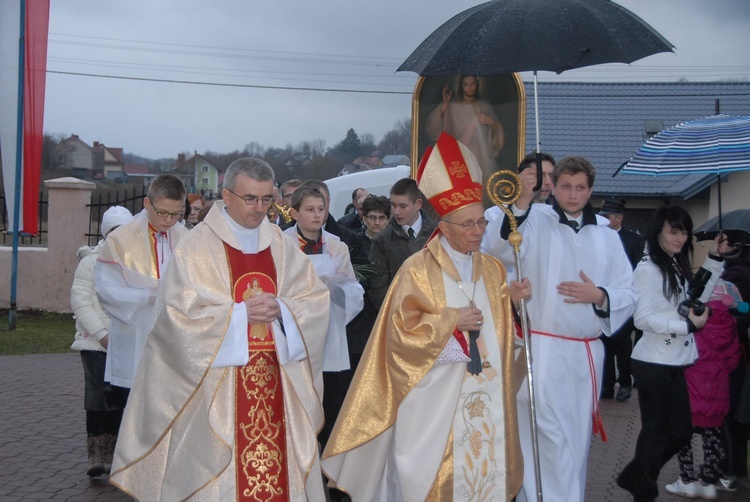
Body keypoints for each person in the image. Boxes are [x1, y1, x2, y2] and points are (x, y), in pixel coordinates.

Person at [109, 158, 330, 500]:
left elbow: (314, 299)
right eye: (250, 199)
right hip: (219, 390)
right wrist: (240, 316)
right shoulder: (197, 247)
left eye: (267, 200)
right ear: (227, 196)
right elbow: (175, 317)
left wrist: (284, 310)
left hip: (276, 382)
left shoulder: (281, 244)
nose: (260, 209)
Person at [322, 132, 527, 501]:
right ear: (444, 227)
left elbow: (503, 335)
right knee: (427, 479)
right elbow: (400, 334)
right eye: (467, 224)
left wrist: (513, 306)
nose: (478, 231)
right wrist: (451, 321)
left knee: (481, 474)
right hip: (432, 398)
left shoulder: (495, 270)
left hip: (482, 393)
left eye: (481, 222)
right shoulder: (417, 270)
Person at [498, 156, 637, 502]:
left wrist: (599, 295)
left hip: (587, 352)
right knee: (547, 433)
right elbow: (500, 249)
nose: (573, 195)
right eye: (565, 187)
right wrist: (522, 201)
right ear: (553, 187)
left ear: (590, 190)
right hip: (544, 348)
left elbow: (628, 291)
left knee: (575, 439)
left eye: (580, 188)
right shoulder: (535, 222)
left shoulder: (606, 236)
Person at [617, 205, 729, 502]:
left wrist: (716, 259)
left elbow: (694, 299)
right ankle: (643, 491)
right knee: (655, 431)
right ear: (659, 232)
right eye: (673, 231)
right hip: (652, 361)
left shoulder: (675, 264)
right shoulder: (648, 268)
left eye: (684, 231)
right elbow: (642, 319)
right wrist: (684, 326)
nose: (680, 237)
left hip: (675, 360)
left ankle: (635, 474)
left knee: (680, 431)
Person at [283, 186, 364, 449]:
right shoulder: (281, 244)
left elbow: (353, 289)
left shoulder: (336, 246)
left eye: (321, 209)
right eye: (309, 210)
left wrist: (334, 287)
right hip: (293, 334)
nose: (317, 215)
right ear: (294, 213)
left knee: (330, 403)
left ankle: (329, 463)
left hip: (331, 333)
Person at [96, 173, 189, 390]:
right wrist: (148, 296)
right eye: (162, 212)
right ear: (147, 203)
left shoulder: (187, 239)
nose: (169, 220)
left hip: (175, 338)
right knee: (132, 412)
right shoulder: (120, 239)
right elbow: (106, 289)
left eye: (176, 214)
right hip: (135, 335)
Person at [71, 205, 133, 478]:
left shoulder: (137, 263)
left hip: (130, 344)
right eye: (113, 232)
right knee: (99, 397)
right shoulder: (89, 263)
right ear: (105, 234)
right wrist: (102, 335)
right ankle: (98, 451)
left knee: (125, 397)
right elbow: (81, 302)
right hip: (96, 344)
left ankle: (121, 451)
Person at [666, 280, 741, 499]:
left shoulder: (696, 321)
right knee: (712, 435)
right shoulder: (730, 324)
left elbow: (684, 351)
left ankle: (687, 479)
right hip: (717, 388)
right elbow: (733, 360)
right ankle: (708, 482)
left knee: (683, 434)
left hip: (691, 385)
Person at [481, 152, 555, 282]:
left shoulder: (557, 218)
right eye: (540, 175)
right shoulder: (495, 214)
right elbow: (500, 253)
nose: (548, 182)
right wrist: (522, 200)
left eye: (551, 176)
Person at [426, 74, 505, 193]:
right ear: (461, 87)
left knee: (483, 188)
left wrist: (491, 122)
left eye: (473, 84)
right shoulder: (453, 107)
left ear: (477, 85)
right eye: (466, 85)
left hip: (482, 155)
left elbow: (496, 129)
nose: (470, 88)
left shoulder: (484, 105)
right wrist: (445, 105)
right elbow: (438, 130)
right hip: (461, 155)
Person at [368, 177, 438, 309]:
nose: (396, 212)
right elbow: (377, 287)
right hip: (399, 315)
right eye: (393, 205)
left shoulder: (438, 234)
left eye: (402, 206)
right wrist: (403, 311)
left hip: (437, 312)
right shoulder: (382, 240)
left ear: (418, 204)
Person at [598, 199, 644, 402]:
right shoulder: (597, 236)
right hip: (602, 296)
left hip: (623, 298)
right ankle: (606, 386)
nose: (605, 219)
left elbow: (637, 272)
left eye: (608, 216)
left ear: (619, 218)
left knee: (623, 344)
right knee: (604, 342)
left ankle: (625, 382)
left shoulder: (633, 240)